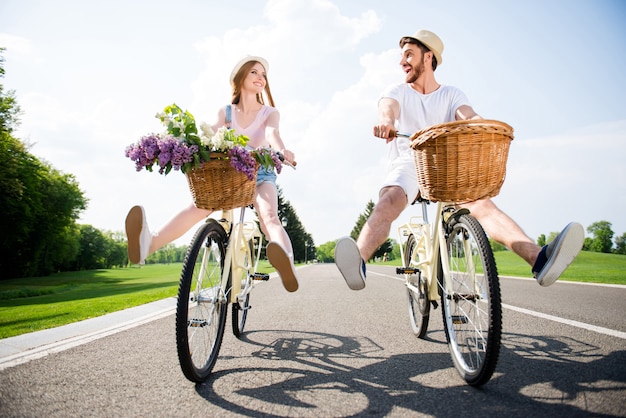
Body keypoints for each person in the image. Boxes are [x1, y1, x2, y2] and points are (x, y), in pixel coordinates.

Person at [335, 30, 584, 290]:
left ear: (428, 57)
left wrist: (482, 126)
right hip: (411, 161)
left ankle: (539, 259)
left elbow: (468, 115)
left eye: (409, 55)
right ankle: (359, 260)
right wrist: (385, 122)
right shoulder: (396, 90)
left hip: (447, 165)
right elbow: (388, 109)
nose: (402, 62)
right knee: (390, 200)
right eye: (402, 56)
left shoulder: (451, 94)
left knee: (483, 205)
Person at [125, 56, 299, 292]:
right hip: (228, 174)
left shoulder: (269, 113)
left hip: (260, 173)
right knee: (198, 207)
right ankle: (147, 244)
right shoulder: (226, 112)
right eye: (254, 73)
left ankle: (284, 258)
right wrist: (181, 145)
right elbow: (209, 136)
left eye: (263, 75)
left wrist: (281, 151)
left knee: (268, 214)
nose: (261, 78)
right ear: (240, 78)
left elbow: (272, 134)